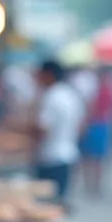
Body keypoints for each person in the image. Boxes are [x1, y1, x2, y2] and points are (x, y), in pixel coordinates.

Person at [32, 60, 83, 199]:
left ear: (48, 75)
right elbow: (80, 125)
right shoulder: (70, 94)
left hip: (50, 157)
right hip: (68, 154)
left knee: (48, 202)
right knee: (59, 200)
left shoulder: (51, 96)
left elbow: (43, 129)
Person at [79, 68, 112, 197]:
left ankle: (92, 185)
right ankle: (94, 186)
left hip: (98, 124)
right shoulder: (106, 90)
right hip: (101, 124)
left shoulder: (101, 91)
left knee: (93, 158)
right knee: (95, 158)